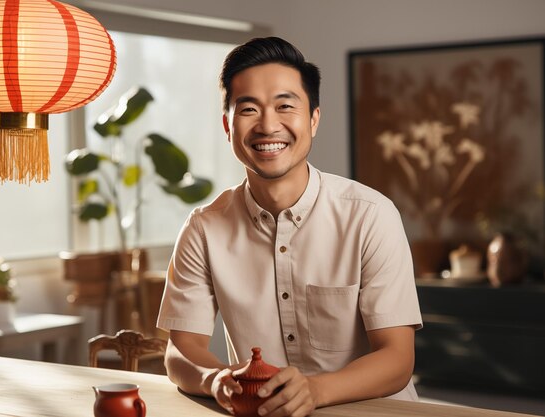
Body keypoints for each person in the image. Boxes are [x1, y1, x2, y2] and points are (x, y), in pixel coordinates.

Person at [157, 36, 422, 417]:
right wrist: (215, 379)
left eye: (285, 106)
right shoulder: (203, 227)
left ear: (313, 119)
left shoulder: (370, 215)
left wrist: (314, 390)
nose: (267, 125)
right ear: (227, 126)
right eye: (248, 109)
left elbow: (397, 358)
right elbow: (181, 352)